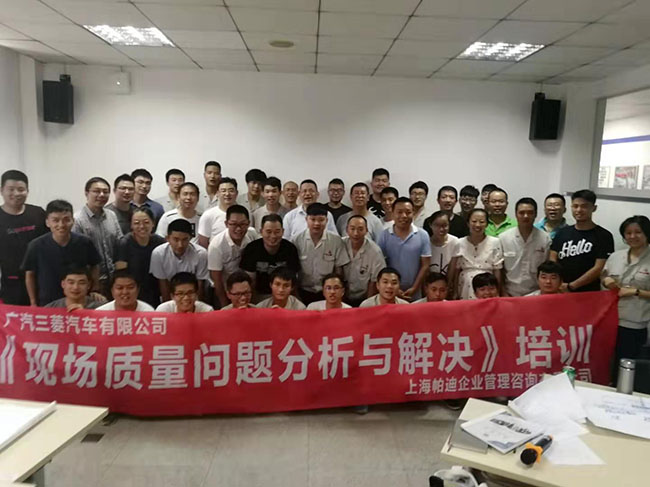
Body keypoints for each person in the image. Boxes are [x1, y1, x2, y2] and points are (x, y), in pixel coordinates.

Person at [22, 200, 101, 306]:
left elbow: (95, 265)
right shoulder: (36, 245)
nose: (61, 225)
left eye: (66, 220)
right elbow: (30, 275)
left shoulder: (84, 242)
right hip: (48, 301)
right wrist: (33, 302)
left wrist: (94, 288)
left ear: (73, 221)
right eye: (55, 220)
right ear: (47, 222)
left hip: (79, 299)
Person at [601, 215, 650, 367]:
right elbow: (603, 276)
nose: (633, 236)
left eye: (638, 232)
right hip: (610, 319)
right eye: (628, 233)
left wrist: (636, 292)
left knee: (627, 367)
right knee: (607, 363)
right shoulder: (616, 256)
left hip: (636, 324)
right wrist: (606, 280)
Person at [550, 189, 614, 292]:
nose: (579, 210)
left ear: (594, 208)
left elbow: (599, 268)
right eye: (575, 206)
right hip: (561, 290)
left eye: (584, 206)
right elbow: (552, 259)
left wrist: (572, 286)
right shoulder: (562, 233)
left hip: (589, 293)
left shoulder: (604, 236)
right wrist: (559, 283)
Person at [0, 170, 47, 305]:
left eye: (21, 189)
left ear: (27, 191)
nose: (16, 194)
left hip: (41, 279)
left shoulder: (38, 213)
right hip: (12, 283)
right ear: (1, 190)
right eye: (11, 189)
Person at [72, 177, 123, 295]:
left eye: (105, 192)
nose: (101, 195)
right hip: (91, 282)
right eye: (96, 191)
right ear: (86, 193)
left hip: (113, 279)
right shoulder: (77, 219)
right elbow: (77, 256)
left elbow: (119, 243)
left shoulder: (111, 215)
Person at [293, 203, 349, 305]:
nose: (317, 223)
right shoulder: (296, 240)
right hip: (303, 291)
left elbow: (339, 270)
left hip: (328, 293)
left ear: (327, 220)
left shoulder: (336, 241)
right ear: (306, 219)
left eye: (321, 220)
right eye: (313, 219)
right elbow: (293, 271)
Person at [377, 197, 431, 300]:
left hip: (415, 292)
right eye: (399, 212)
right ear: (393, 213)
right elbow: (381, 264)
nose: (404, 216)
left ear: (413, 213)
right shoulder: (384, 235)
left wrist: (415, 287)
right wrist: (395, 288)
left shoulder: (423, 235)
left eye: (408, 212)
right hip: (390, 292)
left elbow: (425, 265)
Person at [240, 214, 300, 303]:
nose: (273, 236)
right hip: (258, 294)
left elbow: (292, 280)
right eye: (268, 231)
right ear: (261, 231)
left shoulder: (290, 249)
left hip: (284, 294)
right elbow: (250, 282)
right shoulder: (252, 249)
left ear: (283, 231)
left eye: (277, 232)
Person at [208, 205, 258, 308]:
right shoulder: (216, 245)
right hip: (225, 291)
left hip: (246, 289)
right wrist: (225, 305)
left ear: (248, 223)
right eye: (233, 224)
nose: (238, 228)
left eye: (243, 224)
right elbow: (217, 280)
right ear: (226, 224)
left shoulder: (252, 234)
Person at [499, 197, 551, 297]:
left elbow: (547, 268)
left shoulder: (545, 238)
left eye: (530, 213)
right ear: (516, 214)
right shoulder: (504, 238)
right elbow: (499, 270)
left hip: (536, 293)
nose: (526, 216)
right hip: (510, 292)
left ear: (535, 214)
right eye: (521, 213)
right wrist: (503, 292)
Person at [115, 208, 166, 308]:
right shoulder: (124, 243)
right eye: (136, 223)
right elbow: (120, 274)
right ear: (131, 225)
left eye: (146, 222)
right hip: (132, 292)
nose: (142, 226)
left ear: (153, 223)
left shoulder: (160, 242)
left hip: (155, 291)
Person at [449, 208, 503, 300]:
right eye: (474, 221)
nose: (477, 225)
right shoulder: (459, 242)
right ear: (468, 223)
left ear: (487, 224)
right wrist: (455, 291)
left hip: (487, 285)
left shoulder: (495, 242)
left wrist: (498, 292)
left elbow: (497, 270)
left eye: (482, 222)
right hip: (465, 286)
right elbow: (456, 270)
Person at [150, 219, 209, 302]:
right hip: (170, 295)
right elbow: (163, 284)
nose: (180, 245)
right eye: (176, 239)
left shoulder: (201, 254)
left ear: (190, 238)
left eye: (185, 239)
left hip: (192, 295)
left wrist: (196, 305)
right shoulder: (158, 254)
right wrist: (168, 307)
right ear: (168, 238)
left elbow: (200, 285)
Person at [343, 215, 386, 307]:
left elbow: (374, 281)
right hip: (342, 296)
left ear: (366, 230)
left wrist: (367, 304)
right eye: (352, 229)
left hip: (364, 297)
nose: (356, 233)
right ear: (347, 230)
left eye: (360, 229)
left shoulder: (375, 251)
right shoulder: (340, 244)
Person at [197, 177, 239, 248]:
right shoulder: (208, 215)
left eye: (231, 191)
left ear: (237, 193)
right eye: (223, 191)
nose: (227, 194)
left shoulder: (244, 213)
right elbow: (203, 243)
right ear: (217, 193)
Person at [426, 211, 459, 275]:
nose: (441, 229)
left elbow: (453, 268)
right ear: (430, 225)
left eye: (444, 225)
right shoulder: (426, 243)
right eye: (437, 225)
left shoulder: (455, 241)